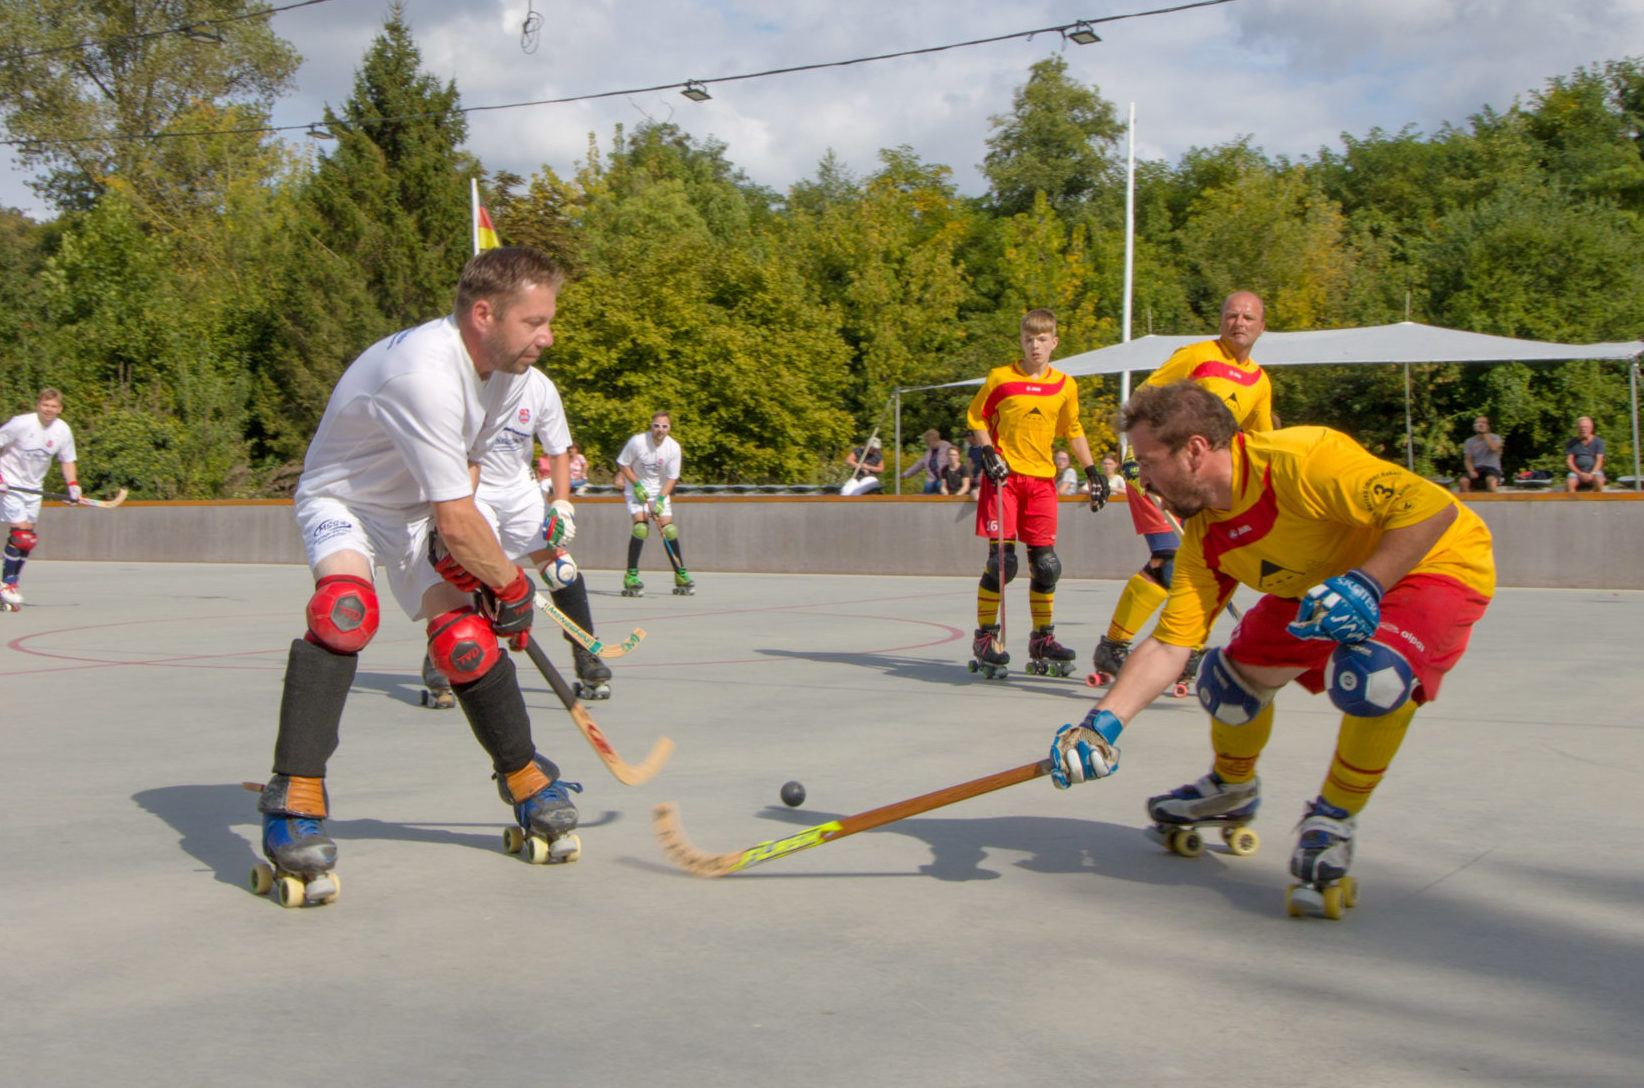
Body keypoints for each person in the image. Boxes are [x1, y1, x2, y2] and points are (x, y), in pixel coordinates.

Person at [1047, 381, 1495, 917]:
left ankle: (1333, 818)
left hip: (1430, 560)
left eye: (1147, 461)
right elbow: (1170, 644)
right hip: (1325, 580)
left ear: (1193, 450)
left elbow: (1431, 508)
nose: (1141, 479)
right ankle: (1232, 788)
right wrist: (1100, 726)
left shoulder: (1300, 461)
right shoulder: (1204, 538)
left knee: (1372, 678)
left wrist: (1366, 585)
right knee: (1226, 684)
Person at [254, 246, 585, 906]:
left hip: (416, 510)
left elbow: (465, 482)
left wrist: (480, 576)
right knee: (344, 614)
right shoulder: (424, 372)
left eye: (549, 321)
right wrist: (513, 586)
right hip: (343, 498)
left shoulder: (509, 373)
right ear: (484, 313)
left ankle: (524, 778)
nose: (547, 338)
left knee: (465, 640)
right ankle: (293, 799)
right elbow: (460, 515)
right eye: (535, 322)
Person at [1093, 290, 1273, 689]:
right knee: (1169, 557)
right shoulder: (1196, 356)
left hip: (1203, 484)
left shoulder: (1260, 381)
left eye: (1247, 317)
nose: (1238, 323)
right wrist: (1135, 457)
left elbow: (1262, 441)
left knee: (1210, 563)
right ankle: (1115, 646)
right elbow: (1144, 398)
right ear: (1220, 320)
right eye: (1231, 315)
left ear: (1261, 326)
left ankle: (1188, 646)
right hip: (1159, 472)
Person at [421, 365, 610, 711]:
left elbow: (558, 453)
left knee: (562, 571)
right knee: (468, 574)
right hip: (474, 488)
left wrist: (562, 504)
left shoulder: (540, 387)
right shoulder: (473, 380)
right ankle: (439, 660)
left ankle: (586, 654)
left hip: (520, 493)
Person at [966, 308, 1108, 678]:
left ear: (1054, 343)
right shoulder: (1000, 378)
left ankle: (1042, 638)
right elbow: (977, 416)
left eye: (1042, 340)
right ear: (1021, 341)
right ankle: (986, 636)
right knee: (1002, 564)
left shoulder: (1064, 385)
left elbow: (1072, 428)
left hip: (1042, 480)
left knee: (1046, 566)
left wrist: (1093, 471)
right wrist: (987, 451)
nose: (1035, 346)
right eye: (1029, 339)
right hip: (1005, 479)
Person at [0, 388, 83, 610]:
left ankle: (9, 586)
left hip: (34, 487)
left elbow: (67, 460)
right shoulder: (21, 423)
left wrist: (73, 486)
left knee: (28, 539)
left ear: (60, 409)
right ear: (38, 405)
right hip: (9, 482)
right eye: (45, 405)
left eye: (54, 406)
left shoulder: (62, 430)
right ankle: (7, 585)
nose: (49, 410)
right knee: (21, 535)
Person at [618, 411, 691, 595]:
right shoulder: (638, 441)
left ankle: (680, 573)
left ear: (669, 428)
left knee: (669, 530)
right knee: (641, 529)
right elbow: (623, 464)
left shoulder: (673, 448)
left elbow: (672, 477)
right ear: (651, 426)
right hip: (637, 488)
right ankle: (631, 575)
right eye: (657, 426)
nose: (660, 430)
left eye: (664, 426)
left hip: (659, 490)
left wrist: (660, 499)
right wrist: (637, 485)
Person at [1458, 415, 1504, 493]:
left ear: (1487, 426)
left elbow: (1494, 448)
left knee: (1490, 481)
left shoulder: (1495, 437)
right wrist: (1471, 471)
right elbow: (1468, 459)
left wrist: (1484, 433)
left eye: (1483, 423)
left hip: (1492, 468)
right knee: (1463, 482)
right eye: (1478, 423)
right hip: (1477, 468)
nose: (1480, 425)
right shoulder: (1469, 441)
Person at [900, 429, 953, 494]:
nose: (928, 445)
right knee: (928, 485)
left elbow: (953, 459)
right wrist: (905, 474)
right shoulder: (928, 453)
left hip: (944, 477)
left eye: (928, 443)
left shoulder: (946, 447)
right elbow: (919, 465)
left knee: (939, 485)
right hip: (932, 478)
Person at [1565, 416, 1606, 492]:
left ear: (1591, 428)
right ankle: (1573, 502)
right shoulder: (1571, 443)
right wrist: (1580, 474)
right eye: (1581, 427)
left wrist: (1592, 474)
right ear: (1577, 428)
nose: (1583, 429)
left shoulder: (1598, 442)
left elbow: (1599, 460)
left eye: (1586, 427)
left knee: (1599, 481)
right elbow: (1569, 461)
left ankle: (1596, 501)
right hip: (1577, 473)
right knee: (1569, 483)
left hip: (1594, 472)